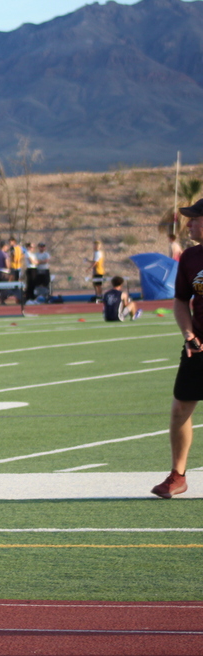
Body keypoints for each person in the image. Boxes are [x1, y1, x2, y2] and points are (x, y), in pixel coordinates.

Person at [152, 198, 203, 499]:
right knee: (180, 407)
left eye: (195, 218)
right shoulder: (190, 257)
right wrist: (188, 334)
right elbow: (181, 301)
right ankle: (177, 475)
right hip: (198, 346)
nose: (189, 224)